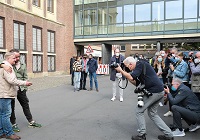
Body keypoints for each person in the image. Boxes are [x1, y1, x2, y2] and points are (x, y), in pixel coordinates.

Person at [115, 57, 173, 140]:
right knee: (152, 113)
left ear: (131, 64)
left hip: (154, 91)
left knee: (139, 111)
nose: (127, 68)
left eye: (127, 66)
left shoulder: (139, 63)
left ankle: (142, 135)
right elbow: (135, 82)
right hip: (158, 91)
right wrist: (125, 74)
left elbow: (131, 77)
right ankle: (169, 135)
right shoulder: (141, 67)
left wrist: (121, 71)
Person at [1, 49, 42, 132]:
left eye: (19, 56)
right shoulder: (6, 64)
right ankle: (13, 124)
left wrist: (24, 87)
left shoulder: (22, 64)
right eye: (16, 57)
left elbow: (25, 76)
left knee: (25, 104)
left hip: (21, 88)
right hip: (11, 87)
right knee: (11, 107)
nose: (17, 58)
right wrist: (2, 65)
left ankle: (31, 121)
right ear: (11, 57)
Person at [0, 52, 32, 140]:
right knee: (6, 115)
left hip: (4, 93)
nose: (16, 59)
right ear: (8, 58)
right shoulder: (8, 67)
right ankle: (9, 133)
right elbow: (12, 80)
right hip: (6, 94)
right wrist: (24, 83)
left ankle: (2, 132)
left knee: (2, 114)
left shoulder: (5, 65)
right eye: (14, 58)